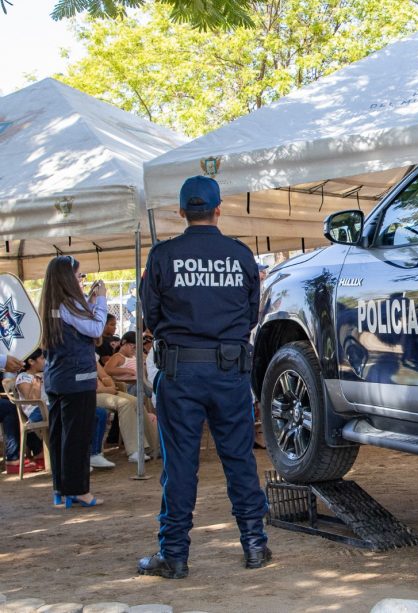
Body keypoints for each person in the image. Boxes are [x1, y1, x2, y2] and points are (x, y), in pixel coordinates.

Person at [137, 175, 268, 579]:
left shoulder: (162, 256)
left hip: (180, 372)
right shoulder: (241, 255)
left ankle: (174, 555)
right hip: (229, 371)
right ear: (218, 209)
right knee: (239, 459)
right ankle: (255, 545)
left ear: (180, 212)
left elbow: (151, 315)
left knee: (179, 465)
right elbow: (251, 315)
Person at [40, 256, 106, 508]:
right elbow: (96, 328)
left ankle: (61, 487)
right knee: (77, 438)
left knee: (59, 436)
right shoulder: (68, 305)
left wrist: (88, 301)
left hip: (57, 379)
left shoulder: (50, 304)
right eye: (79, 276)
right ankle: (78, 490)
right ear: (68, 278)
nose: (82, 280)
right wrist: (100, 299)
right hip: (78, 381)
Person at [95, 361, 158, 463]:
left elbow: (104, 375)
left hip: (106, 390)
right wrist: (106, 389)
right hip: (92, 393)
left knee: (137, 402)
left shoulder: (91, 355)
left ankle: (152, 447)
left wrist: (110, 387)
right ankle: (134, 450)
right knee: (124, 404)